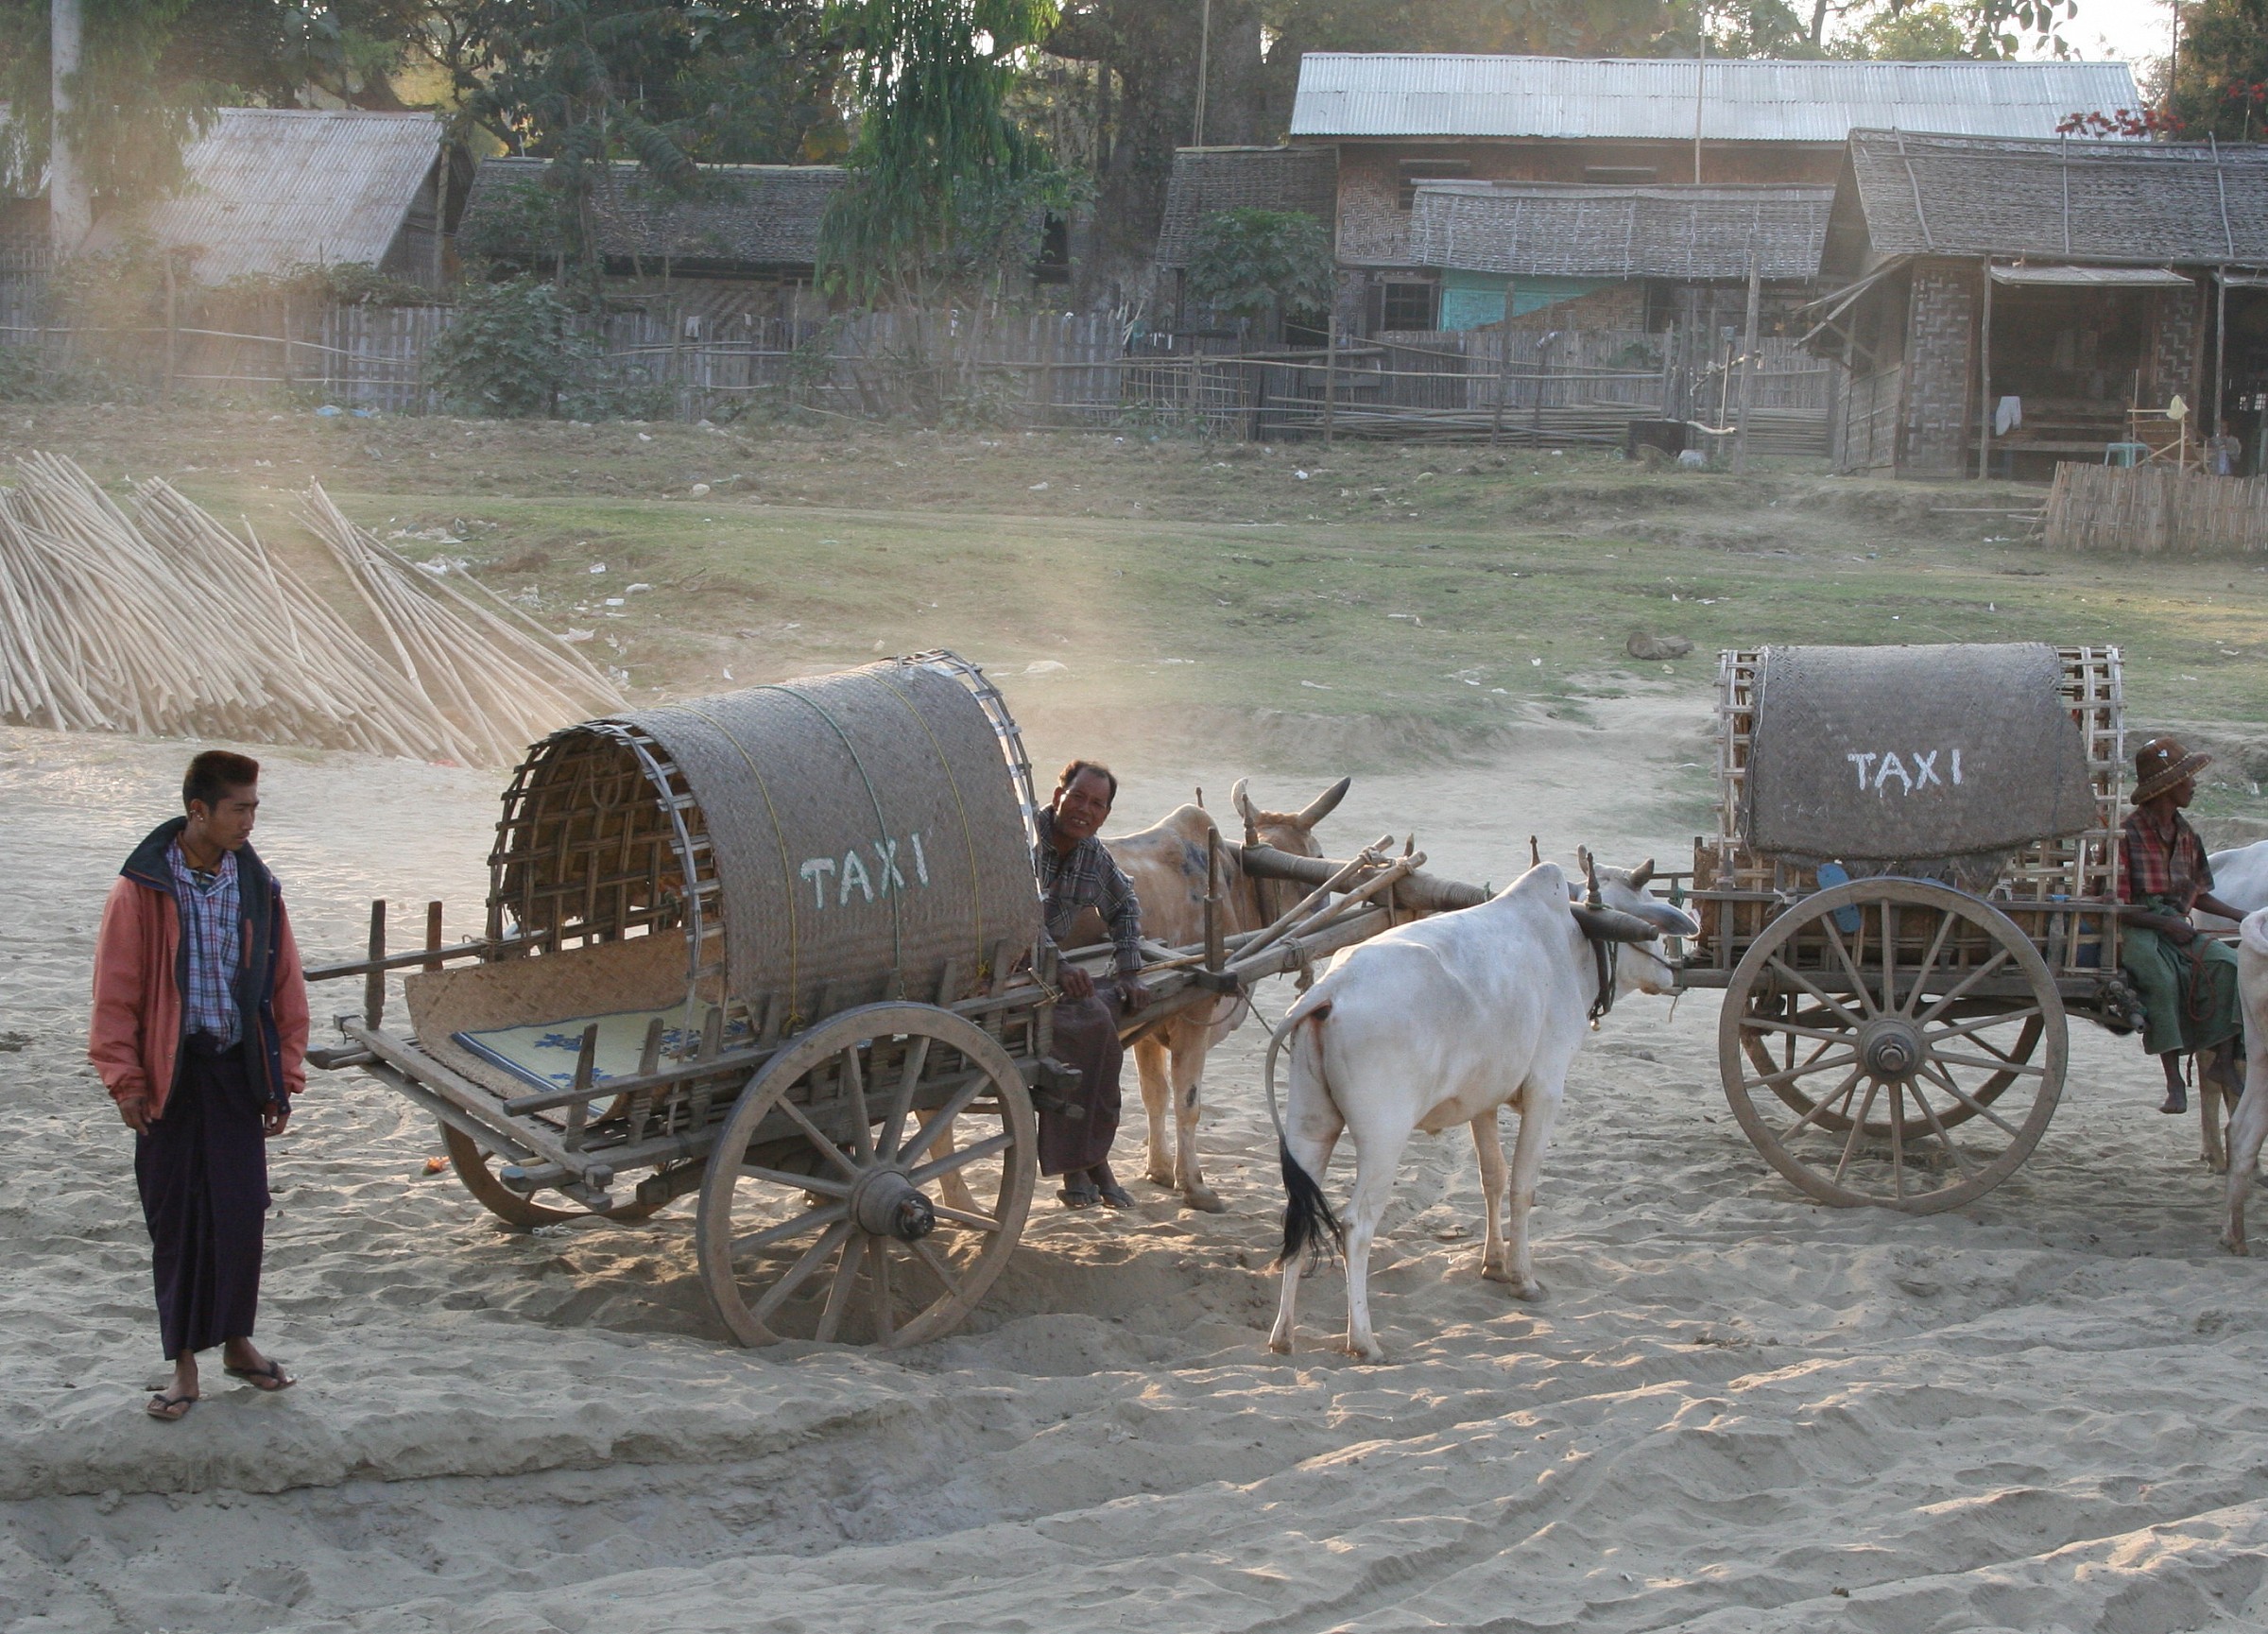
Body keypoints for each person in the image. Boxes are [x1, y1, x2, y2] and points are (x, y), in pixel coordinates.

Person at [90, 750, 309, 1420]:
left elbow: (284, 985)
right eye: (238, 808)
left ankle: (238, 1344)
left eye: (254, 807)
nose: (249, 820)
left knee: (242, 1213)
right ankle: (184, 1367)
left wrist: (284, 1075)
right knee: (179, 1222)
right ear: (199, 812)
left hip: (237, 1074)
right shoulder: (143, 889)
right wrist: (125, 1080)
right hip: (170, 1075)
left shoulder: (256, 885)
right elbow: (116, 992)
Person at [1034, 760, 1151, 1209]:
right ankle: (1087, 1163)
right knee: (1092, 1022)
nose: (1085, 810)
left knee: (1103, 1012)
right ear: (1058, 793)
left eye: (1097, 805)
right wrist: (1059, 965)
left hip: (1047, 974)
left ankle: (1089, 1158)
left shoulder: (1091, 854)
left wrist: (1128, 970)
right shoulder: (1022, 839)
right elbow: (1012, 912)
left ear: (1105, 815)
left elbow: (1126, 906)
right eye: (1078, 797)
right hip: (997, 966)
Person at [2118, 735, 2246, 1115]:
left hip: (2174, 922)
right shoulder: (2127, 834)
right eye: (2188, 778)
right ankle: (2174, 1082)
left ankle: (2223, 1058)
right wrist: (2162, 924)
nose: (2194, 784)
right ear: (2169, 787)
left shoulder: (2188, 835)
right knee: (2159, 978)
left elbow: (2199, 893)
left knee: (2229, 966)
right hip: (2137, 924)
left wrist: (2243, 917)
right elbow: (2114, 906)